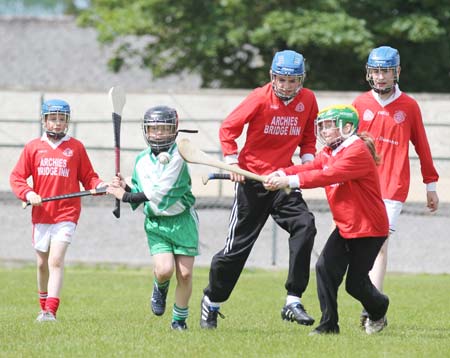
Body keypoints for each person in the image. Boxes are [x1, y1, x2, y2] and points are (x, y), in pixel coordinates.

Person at [200, 50, 317, 329]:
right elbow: (229, 128)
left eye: (293, 80)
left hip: (283, 179)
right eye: (282, 79)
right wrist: (231, 160)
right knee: (236, 249)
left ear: (301, 80)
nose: (287, 85)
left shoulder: (308, 99)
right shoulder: (259, 97)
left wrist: (309, 163)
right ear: (272, 77)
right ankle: (212, 301)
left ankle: (293, 300)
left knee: (306, 225)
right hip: (252, 181)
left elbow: (308, 137)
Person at [264, 105, 390, 335]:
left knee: (355, 285)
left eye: (329, 125)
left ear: (348, 126)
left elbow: (327, 175)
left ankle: (379, 307)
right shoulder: (331, 152)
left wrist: (291, 182)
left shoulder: (356, 151)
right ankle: (329, 325)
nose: (324, 130)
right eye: (321, 126)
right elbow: (311, 166)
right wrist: (281, 173)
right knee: (324, 269)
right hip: (346, 227)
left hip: (369, 228)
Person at [352, 45, 439, 326]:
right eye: (375, 71)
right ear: (369, 72)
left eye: (385, 71)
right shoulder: (359, 104)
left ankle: (372, 309)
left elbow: (422, 146)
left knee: (379, 246)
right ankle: (371, 302)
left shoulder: (409, 107)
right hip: (359, 187)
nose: (380, 77)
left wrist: (431, 184)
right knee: (354, 247)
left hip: (392, 186)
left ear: (396, 72)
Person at [10, 99, 106, 322]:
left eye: (61, 119)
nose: (57, 124)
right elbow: (16, 178)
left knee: (55, 260)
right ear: (44, 121)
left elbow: (89, 177)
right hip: (42, 214)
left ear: (67, 122)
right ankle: (43, 306)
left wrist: (99, 186)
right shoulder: (33, 147)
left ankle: (50, 311)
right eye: (52, 119)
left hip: (67, 214)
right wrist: (28, 193)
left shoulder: (76, 147)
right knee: (42, 263)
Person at [107, 105, 199, 331]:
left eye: (163, 129)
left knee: (185, 274)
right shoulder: (141, 160)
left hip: (183, 221)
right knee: (164, 270)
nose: (157, 134)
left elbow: (159, 193)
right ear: (145, 131)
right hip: (156, 224)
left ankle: (179, 321)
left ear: (174, 130)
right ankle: (160, 286)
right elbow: (140, 189)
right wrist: (125, 185)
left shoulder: (179, 158)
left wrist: (125, 195)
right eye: (153, 129)